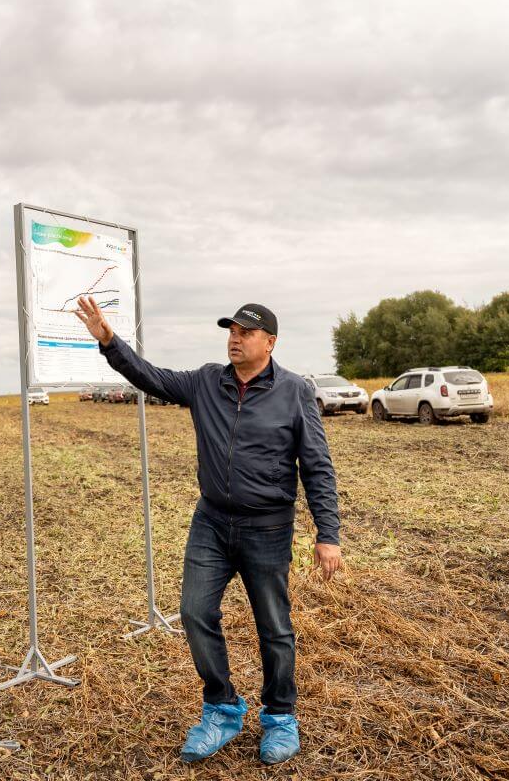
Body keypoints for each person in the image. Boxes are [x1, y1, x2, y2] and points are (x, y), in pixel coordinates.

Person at [73, 297, 343, 765]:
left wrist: (328, 533)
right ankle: (221, 706)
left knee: (274, 628)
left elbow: (317, 466)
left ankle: (280, 716)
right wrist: (110, 343)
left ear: (270, 343)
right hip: (212, 523)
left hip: (268, 528)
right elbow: (150, 377)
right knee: (195, 613)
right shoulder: (206, 382)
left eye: (246, 332)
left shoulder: (295, 391)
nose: (235, 338)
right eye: (231, 331)